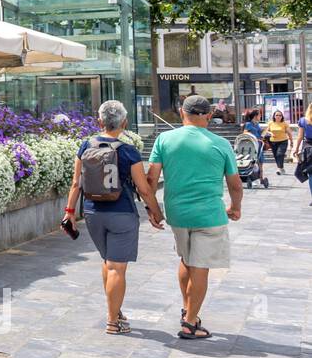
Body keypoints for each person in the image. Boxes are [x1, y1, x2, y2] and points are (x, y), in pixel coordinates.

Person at [146, 94, 244, 341]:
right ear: (209, 115)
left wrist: (153, 209)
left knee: (186, 260)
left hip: (177, 213)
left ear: (182, 113)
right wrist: (235, 207)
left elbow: (151, 179)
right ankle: (190, 323)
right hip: (209, 214)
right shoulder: (220, 144)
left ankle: (186, 308)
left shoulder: (164, 139)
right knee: (200, 268)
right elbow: (235, 184)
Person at [62, 100, 164, 335]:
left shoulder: (85, 145)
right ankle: (112, 320)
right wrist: (155, 212)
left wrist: (69, 212)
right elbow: (144, 189)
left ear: (99, 122)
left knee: (108, 262)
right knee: (117, 267)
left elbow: (76, 183)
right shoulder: (128, 151)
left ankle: (114, 310)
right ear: (125, 123)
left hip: (92, 212)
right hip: (122, 213)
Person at [241, 109, 269, 187]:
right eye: (259, 114)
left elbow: (259, 133)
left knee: (260, 161)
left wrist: (265, 132)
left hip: (259, 144)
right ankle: (253, 178)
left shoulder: (257, 124)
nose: (260, 116)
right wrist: (254, 137)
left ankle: (261, 178)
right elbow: (245, 132)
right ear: (255, 116)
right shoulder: (248, 124)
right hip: (252, 145)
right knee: (253, 161)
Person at [293, 105, 312, 205]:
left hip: (308, 148)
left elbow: (300, 137)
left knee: (311, 173)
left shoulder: (303, 121)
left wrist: (296, 149)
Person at [263, 109, 291, 175]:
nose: (278, 116)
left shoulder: (284, 123)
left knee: (280, 154)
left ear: (282, 116)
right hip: (273, 142)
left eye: (280, 115)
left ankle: (279, 169)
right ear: (274, 116)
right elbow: (266, 131)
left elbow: (289, 133)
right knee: (276, 156)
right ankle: (281, 168)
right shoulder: (270, 123)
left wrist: (292, 141)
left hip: (283, 141)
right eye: (277, 115)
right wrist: (270, 133)